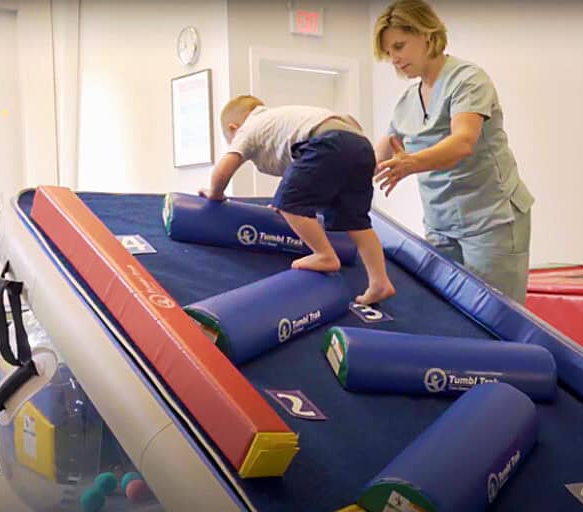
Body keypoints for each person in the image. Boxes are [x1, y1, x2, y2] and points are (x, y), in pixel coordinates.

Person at [373, 0, 534, 304]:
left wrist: (412, 163)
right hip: (441, 225)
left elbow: (463, 141)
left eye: (399, 46)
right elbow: (382, 150)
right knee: (450, 314)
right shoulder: (408, 99)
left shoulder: (468, 81)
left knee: (495, 318)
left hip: (490, 221)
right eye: (389, 53)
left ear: (426, 34)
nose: (394, 59)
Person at [199, 95, 396, 305]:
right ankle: (379, 282)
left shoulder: (249, 128)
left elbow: (224, 169)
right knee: (357, 222)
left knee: (290, 204)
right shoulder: (281, 122)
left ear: (233, 128)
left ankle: (325, 255)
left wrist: (215, 193)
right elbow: (304, 176)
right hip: (360, 144)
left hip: (328, 141)